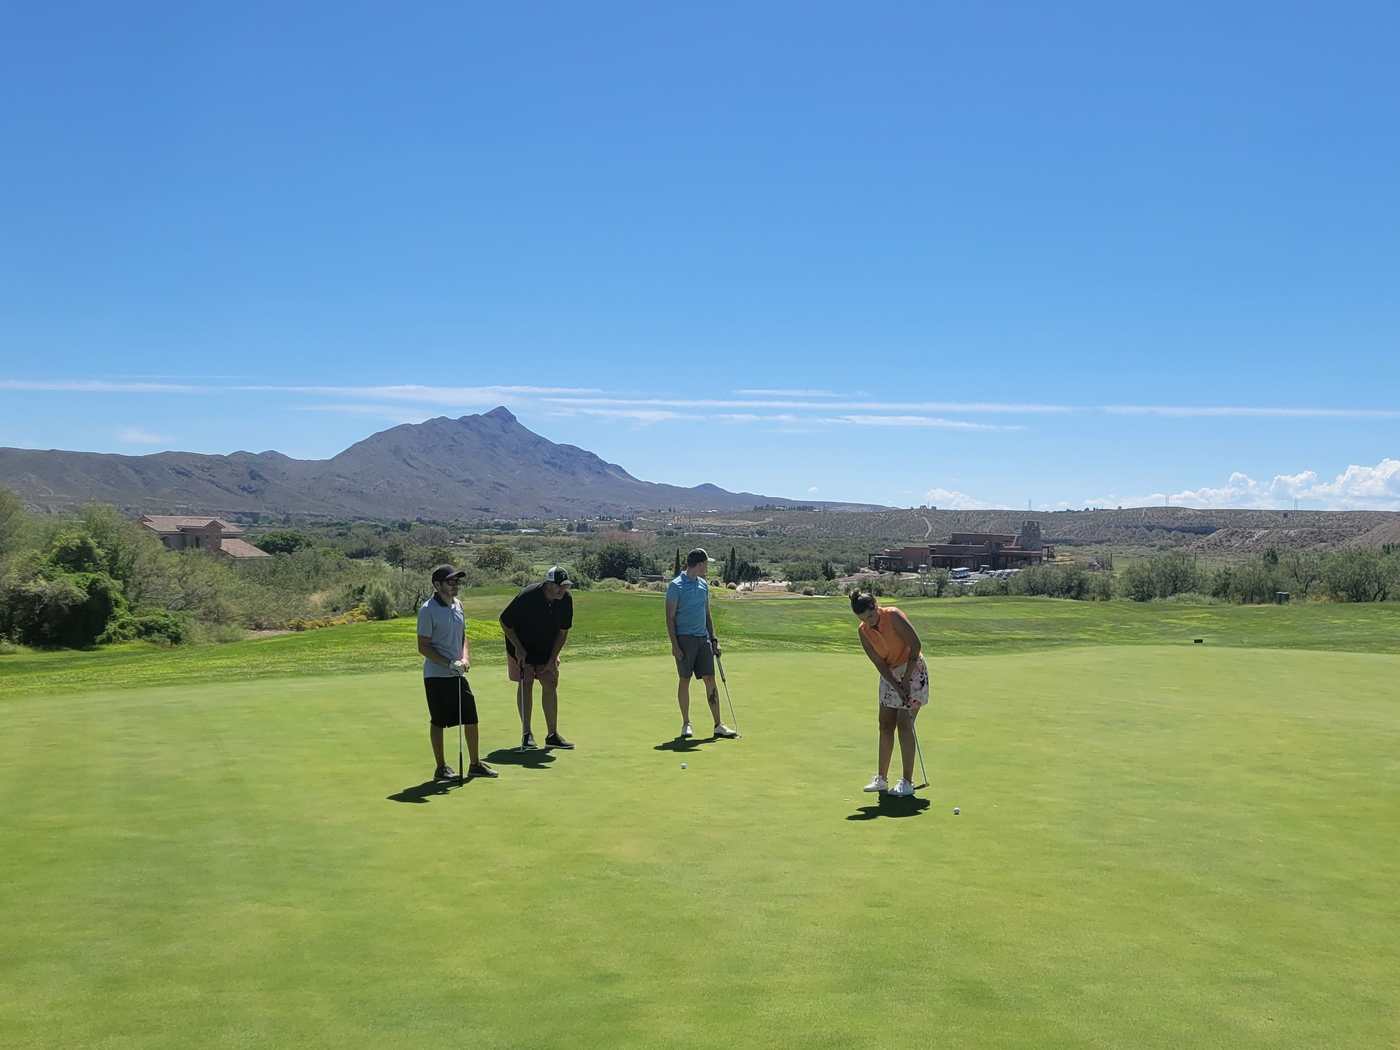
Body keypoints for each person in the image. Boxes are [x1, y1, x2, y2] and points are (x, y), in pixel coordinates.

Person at [416, 564, 497, 781]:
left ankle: (475, 764)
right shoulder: (427, 610)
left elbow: (463, 636)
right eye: (450, 582)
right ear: (437, 585)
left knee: (471, 717)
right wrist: (449, 663)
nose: (455, 585)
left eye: (457, 582)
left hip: (457, 674)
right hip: (436, 675)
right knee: (439, 721)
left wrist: (465, 658)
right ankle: (441, 767)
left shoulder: (458, 605)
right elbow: (423, 646)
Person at [851, 591, 928, 796]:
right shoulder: (863, 631)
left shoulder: (892, 615)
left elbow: (915, 645)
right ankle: (882, 779)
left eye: (870, 616)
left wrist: (906, 680)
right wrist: (895, 684)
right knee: (885, 724)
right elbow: (879, 663)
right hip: (890, 674)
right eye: (863, 620)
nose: (869, 623)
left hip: (913, 668)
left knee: (904, 725)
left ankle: (907, 782)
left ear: (876, 606)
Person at [500, 565, 575, 751]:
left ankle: (552, 735)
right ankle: (527, 734)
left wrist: (553, 658)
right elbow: (505, 621)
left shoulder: (565, 599)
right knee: (526, 684)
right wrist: (518, 649)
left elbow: (563, 631)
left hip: (546, 646)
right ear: (548, 584)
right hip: (521, 646)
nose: (562, 590)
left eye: (565, 586)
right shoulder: (528, 596)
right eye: (559, 586)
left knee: (550, 682)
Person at [665, 548, 737, 740]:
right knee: (685, 679)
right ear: (698, 564)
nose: (708, 567)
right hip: (684, 639)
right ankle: (686, 723)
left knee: (710, 679)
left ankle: (718, 725)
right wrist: (675, 645)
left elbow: (707, 614)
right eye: (706, 563)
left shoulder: (703, 585)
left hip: (702, 639)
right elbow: (670, 618)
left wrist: (713, 639)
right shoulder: (676, 586)